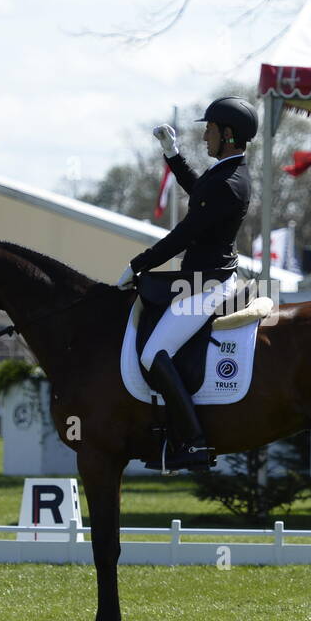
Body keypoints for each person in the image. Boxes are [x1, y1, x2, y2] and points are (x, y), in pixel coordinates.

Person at [115, 96, 256, 470]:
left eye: (209, 130)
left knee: (152, 354)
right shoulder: (227, 173)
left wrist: (138, 264)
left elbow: (185, 233)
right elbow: (200, 193)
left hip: (209, 285)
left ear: (227, 134)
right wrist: (173, 156)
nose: (205, 136)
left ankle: (193, 443)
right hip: (202, 278)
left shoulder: (230, 182)